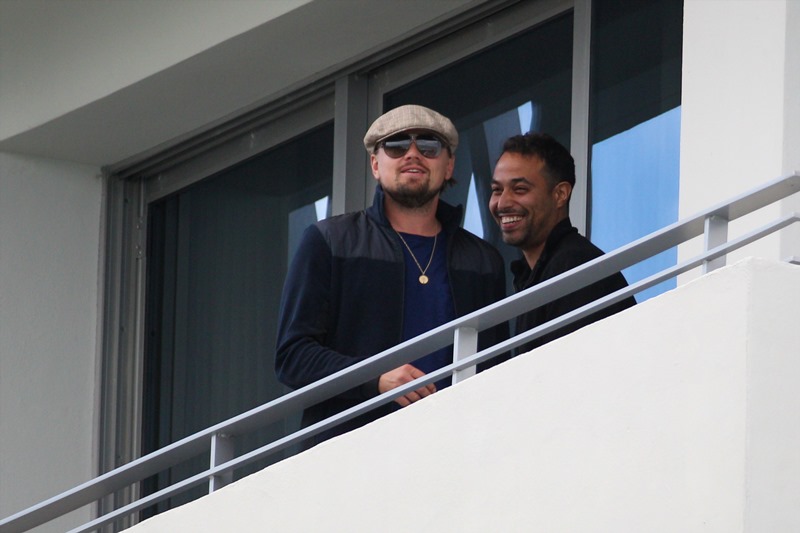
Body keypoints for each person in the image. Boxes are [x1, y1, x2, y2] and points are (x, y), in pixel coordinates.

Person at [276, 105, 508, 448]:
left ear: (449, 166)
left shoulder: (482, 260)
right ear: (375, 165)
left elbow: (496, 369)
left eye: (429, 145)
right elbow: (293, 356)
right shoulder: (329, 241)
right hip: (351, 451)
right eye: (397, 145)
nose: (412, 153)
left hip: (454, 448)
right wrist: (375, 378)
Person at [489, 132, 635, 354]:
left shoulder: (576, 266)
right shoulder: (540, 272)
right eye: (496, 190)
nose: (502, 203)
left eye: (519, 189)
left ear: (560, 194)